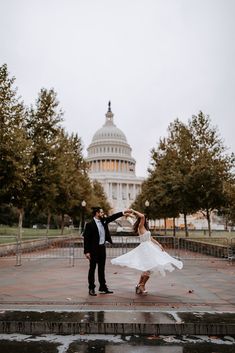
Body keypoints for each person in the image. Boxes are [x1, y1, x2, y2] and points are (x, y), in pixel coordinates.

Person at [111, 209, 183, 295]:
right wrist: (133, 211)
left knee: (149, 268)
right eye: (146, 219)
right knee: (148, 269)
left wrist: (159, 244)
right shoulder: (140, 226)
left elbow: (151, 238)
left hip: (150, 248)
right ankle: (141, 285)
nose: (147, 220)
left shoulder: (145, 228)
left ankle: (139, 285)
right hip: (145, 249)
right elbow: (141, 216)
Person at [83, 207, 131, 296]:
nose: (103, 214)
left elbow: (113, 217)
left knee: (101, 269)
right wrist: (87, 252)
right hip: (93, 250)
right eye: (101, 212)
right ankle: (91, 288)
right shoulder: (89, 224)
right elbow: (86, 239)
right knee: (92, 269)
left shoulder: (104, 221)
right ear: (97, 213)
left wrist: (123, 212)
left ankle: (102, 287)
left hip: (102, 248)